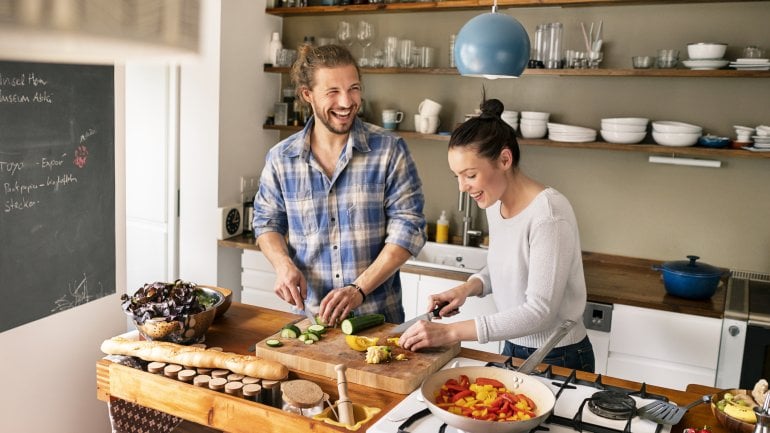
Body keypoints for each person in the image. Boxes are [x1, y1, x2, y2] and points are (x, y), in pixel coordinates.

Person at [398, 98, 595, 373]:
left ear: (504, 159)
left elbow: (539, 311)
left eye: (469, 175)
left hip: (557, 355)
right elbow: (506, 265)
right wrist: (466, 288)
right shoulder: (495, 203)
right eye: (457, 176)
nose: (462, 187)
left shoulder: (549, 214)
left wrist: (450, 332)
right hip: (512, 346)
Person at [252, 44, 426, 326]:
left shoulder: (389, 150)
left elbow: (409, 228)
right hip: (310, 321)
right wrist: (283, 265)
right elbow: (266, 223)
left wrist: (359, 289)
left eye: (354, 88)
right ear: (307, 94)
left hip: (379, 319)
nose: (346, 102)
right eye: (332, 92)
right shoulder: (281, 159)